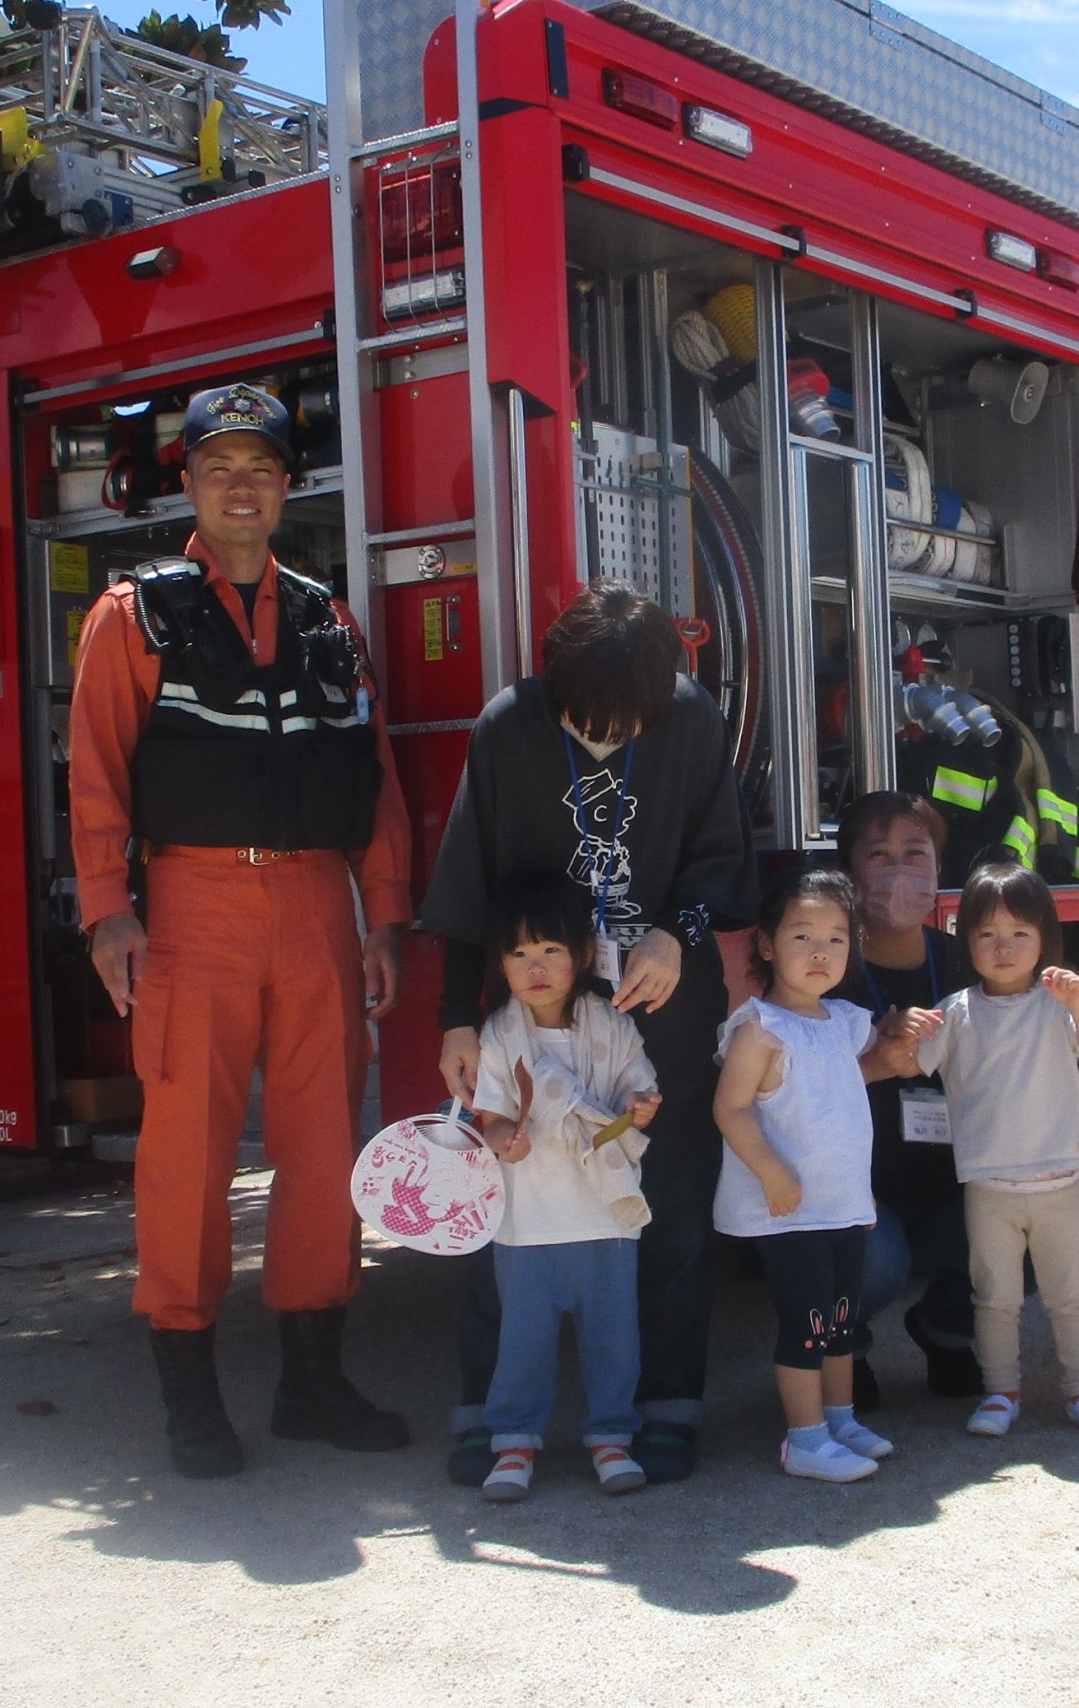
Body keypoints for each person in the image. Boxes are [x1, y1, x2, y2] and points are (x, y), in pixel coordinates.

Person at [69, 381, 412, 1480]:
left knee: (323, 1152)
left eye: (261, 466)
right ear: (189, 483)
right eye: (218, 466)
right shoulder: (132, 615)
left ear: (288, 483)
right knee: (187, 1161)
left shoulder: (330, 620)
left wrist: (384, 916)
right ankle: (192, 1395)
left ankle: (312, 1383)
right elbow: (95, 771)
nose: (241, 485)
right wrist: (107, 910)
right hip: (193, 909)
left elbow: (372, 775)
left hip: (316, 909)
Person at [419, 581, 757, 1487]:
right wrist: (456, 1016)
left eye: (622, 725)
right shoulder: (508, 726)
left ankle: (666, 1406)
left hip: (658, 1010)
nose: (602, 734)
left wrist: (675, 932)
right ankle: (489, 1415)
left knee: (667, 1206)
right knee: (502, 1203)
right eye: (584, 721)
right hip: (530, 1016)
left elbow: (724, 863)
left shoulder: (690, 719)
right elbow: (467, 888)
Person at [911, 864, 1079, 1439]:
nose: (1002, 948)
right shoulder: (956, 1010)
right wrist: (900, 1027)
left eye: (1019, 933)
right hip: (988, 1186)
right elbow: (910, 1061)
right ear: (966, 940)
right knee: (994, 1299)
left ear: (1045, 938)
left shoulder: (1059, 1003)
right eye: (986, 934)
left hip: (1060, 1184)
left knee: (1070, 1295)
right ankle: (1000, 1392)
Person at [469, 876, 663, 1502]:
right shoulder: (499, 1033)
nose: (536, 967)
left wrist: (639, 1106)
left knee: (613, 1336)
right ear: (501, 965)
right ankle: (513, 1441)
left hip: (605, 1212)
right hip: (528, 1220)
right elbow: (490, 1115)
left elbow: (636, 1089)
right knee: (523, 1340)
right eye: (519, 953)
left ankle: (611, 1436)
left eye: (551, 949)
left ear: (581, 954)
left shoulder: (611, 1022)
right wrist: (505, 1138)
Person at [714, 869, 898, 1482]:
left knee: (842, 1321)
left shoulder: (843, 1021)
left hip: (842, 1203)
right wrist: (771, 1172)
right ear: (766, 945)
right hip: (790, 1210)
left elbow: (837, 1085)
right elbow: (730, 1108)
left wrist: (905, 1035)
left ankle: (840, 1418)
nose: (821, 951)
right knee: (809, 1323)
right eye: (802, 936)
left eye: (836, 938)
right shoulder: (760, 1028)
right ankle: (805, 1437)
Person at [833, 791, 982, 1408]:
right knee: (873, 1259)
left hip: (951, 1182)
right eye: (879, 855)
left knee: (1053, 1199)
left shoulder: (968, 964)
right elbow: (779, 1091)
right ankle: (846, 1348)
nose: (899, 872)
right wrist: (871, 1065)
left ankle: (948, 1329)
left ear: (940, 869)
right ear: (849, 874)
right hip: (860, 1191)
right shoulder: (825, 971)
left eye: (915, 853)